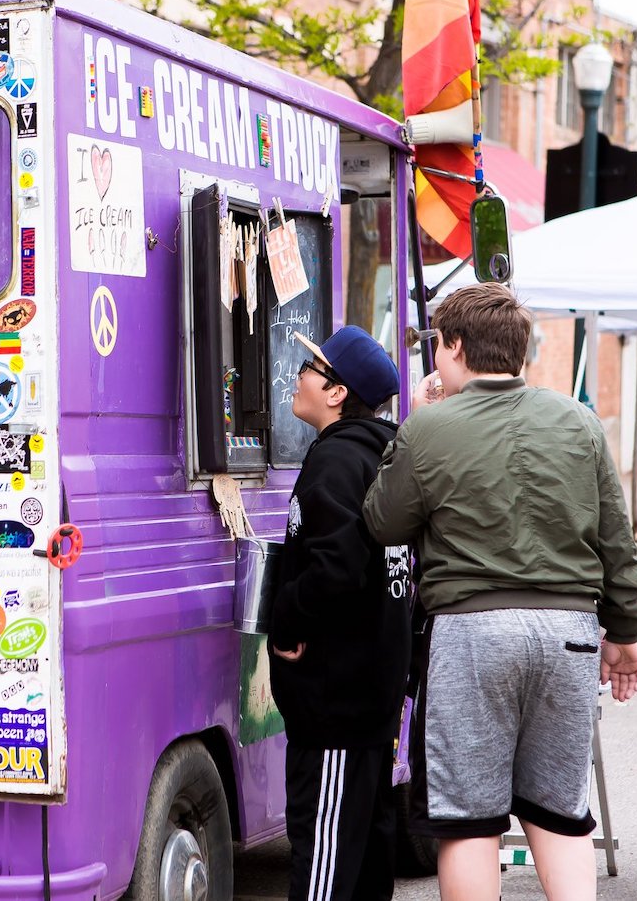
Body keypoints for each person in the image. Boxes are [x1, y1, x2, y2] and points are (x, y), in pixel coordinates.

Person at [363, 283, 637, 901]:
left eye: (438, 346)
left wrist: (414, 425)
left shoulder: (429, 427)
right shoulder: (580, 422)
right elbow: (618, 543)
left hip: (472, 632)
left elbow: (383, 523)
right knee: (560, 812)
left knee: (468, 818)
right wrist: (625, 635)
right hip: (570, 633)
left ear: (456, 345)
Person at [268, 326, 408, 901]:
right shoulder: (384, 457)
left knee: (324, 862)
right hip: (371, 696)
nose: (297, 377)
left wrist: (287, 618)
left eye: (311, 369)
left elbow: (336, 569)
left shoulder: (337, 462)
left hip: (336, 703)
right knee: (366, 858)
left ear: (335, 393)